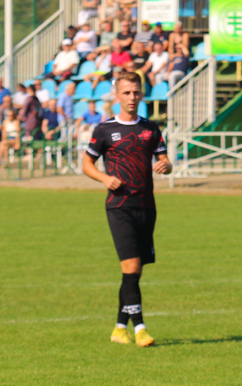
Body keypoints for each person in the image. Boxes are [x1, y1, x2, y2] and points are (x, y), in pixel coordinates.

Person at [82, 69, 171, 347]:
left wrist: (166, 166)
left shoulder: (151, 129)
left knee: (134, 272)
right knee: (131, 267)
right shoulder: (104, 129)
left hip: (147, 206)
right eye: (126, 93)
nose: (132, 97)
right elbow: (86, 163)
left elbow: (164, 160)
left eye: (136, 92)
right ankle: (140, 328)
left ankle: (119, 328)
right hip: (119, 206)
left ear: (141, 94)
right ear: (117, 95)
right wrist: (103, 177)